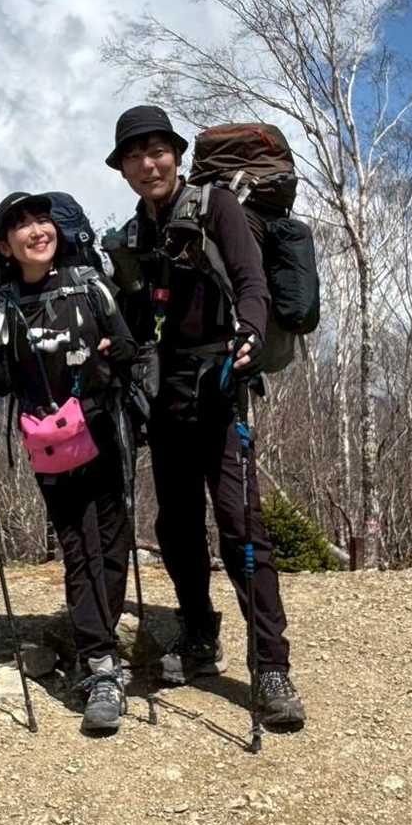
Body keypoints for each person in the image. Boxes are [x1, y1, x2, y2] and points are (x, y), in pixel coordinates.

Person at [105, 104, 306, 732]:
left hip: (220, 379)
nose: (148, 164)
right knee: (177, 527)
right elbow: (135, 319)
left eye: (157, 151)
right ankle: (198, 632)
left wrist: (250, 333)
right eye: (135, 156)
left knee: (241, 526)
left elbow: (251, 282)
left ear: (176, 156)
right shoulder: (132, 235)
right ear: (123, 169)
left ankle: (271, 667)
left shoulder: (216, 206)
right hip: (165, 393)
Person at [0, 191, 138, 735]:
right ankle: (100, 665)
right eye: (20, 225)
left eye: (42, 219)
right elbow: (3, 380)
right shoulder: (4, 305)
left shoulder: (90, 285)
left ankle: (102, 654)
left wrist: (118, 357)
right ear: (5, 246)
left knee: (111, 546)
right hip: (52, 444)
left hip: (103, 431)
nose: (36, 230)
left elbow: (126, 346)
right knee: (79, 549)